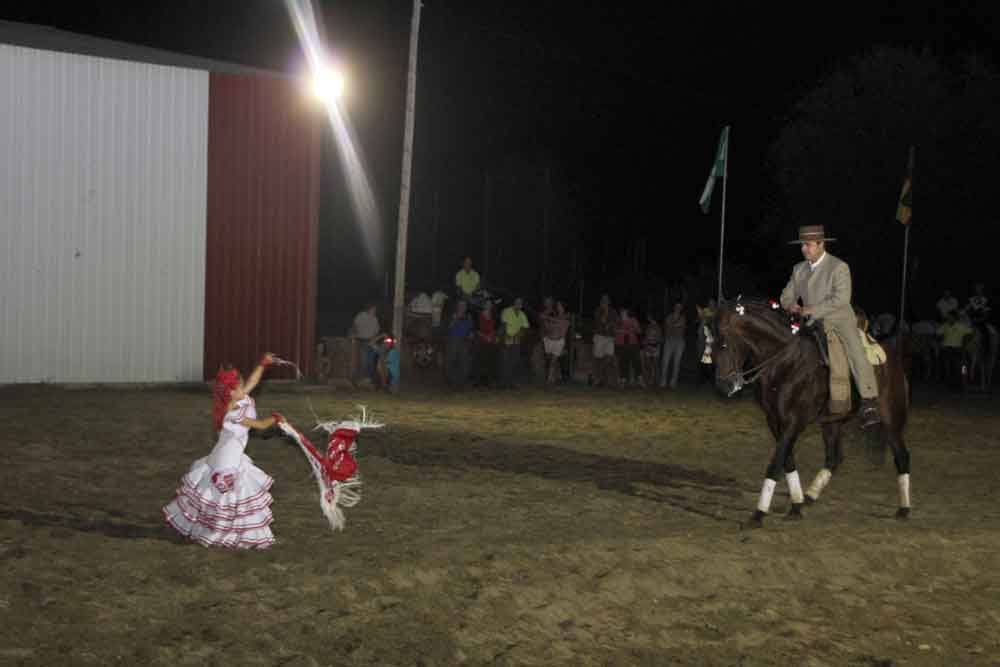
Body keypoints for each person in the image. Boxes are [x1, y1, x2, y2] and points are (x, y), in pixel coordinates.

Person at [163, 354, 280, 548]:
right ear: (230, 392)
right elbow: (260, 425)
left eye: (241, 386)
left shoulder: (236, 400)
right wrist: (275, 418)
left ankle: (219, 530)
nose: (244, 388)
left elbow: (252, 382)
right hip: (227, 462)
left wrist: (262, 364)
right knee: (229, 498)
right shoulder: (233, 413)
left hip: (226, 455)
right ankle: (221, 533)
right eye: (239, 387)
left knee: (222, 498)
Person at [780, 225, 880, 427]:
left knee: (856, 351)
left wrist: (811, 309)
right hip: (810, 321)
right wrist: (790, 304)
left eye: (807, 245)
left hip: (839, 319)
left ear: (821, 245)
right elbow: (786, 295)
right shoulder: (799, 269)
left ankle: (869, 401)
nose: (803, 249)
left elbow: (841, 299)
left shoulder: (839, 267)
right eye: (802, 245)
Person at [937, 310, 974, 391]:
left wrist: (965, 341)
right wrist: (940, 339)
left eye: (950, 317)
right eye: (948, 317)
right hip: (946, 348)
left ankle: (962, 383)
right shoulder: (945, 326)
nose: (949, 318)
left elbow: (971, 333)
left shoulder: (961, 326)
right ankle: (948, 384)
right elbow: (938, 333)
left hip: (957, 349)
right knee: (946, 366)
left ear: (955, 317)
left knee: (962, 367)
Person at [499, 297, 530, 388]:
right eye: (517, 302)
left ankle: (511, 382)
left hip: (516, 340)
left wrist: (518, 335)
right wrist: (506, 337)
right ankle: (504, 382)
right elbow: (503, 325)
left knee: (514, 360)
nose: (518, 304)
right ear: (513, 303)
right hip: (506, 338)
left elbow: (525, 327)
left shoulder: (522, 314)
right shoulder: (506, 311)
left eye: (520, 303)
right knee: (505, 361)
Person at [350, 303, 383, 386]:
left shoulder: (375, 318)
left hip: (371, 341)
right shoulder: (361, 316)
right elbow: (354, 326)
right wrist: (354, 335)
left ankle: (369, 379)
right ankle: (361, 379)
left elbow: (377, 330)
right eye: (373, 309)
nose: (375, 311)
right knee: (363, 361)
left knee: (371, 361)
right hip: (362, 341)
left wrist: (374, 339)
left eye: (375, 310)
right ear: (369, 309)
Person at [592, 294, 619, 387]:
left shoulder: (613, 311)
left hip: (610, 337)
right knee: (598, 358)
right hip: (599, 336)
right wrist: (605, 312)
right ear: (601, 302)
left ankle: (600, 378)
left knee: (609, 357)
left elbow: (616, 323)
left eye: (606, 300)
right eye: (603, 300)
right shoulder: (598, 310)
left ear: (609, 302)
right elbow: (601, 321)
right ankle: (598, 380)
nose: (604, 302)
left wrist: (612, 325)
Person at [540, 299, 570, 384]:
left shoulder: (566, 316)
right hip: (549, 340)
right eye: (557, 305)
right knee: (550, 361)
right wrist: (545, 321)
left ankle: (549, 380)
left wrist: (547, 317)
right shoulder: (553, 315)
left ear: (564, 307)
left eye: (559, 305)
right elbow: (548, 327)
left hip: (559, 342)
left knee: (553, 361)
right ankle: (556, 377)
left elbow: (563, 323)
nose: (558, 307)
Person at [445, 301, 474, 388]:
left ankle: (461, 382)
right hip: (453, 340)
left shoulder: (468, 317)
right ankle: (452, 382)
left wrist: (471, 333)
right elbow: (447, 328)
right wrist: (454, 319)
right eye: (460, 305)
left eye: (464, 305)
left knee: (465, 362)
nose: (462, 307)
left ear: (466, 307)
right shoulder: (452, 316)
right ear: (457, 306)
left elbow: (471, 329)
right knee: (451, 361)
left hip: (464, 341)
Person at [660, 301, 687, 389]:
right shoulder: (669, 317)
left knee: (676, 363)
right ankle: (663, 381)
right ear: (674, 307)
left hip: (679, 341)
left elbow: (682, 329)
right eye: (676, 306)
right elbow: (667, 328)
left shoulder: (683, 318)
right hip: (669, 340)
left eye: (679, 307)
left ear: (681, 308)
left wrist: (673, 326)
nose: (678, 308)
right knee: (665, 361)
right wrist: (676, 326)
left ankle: (673, 382)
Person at [615, 306, 642, 387]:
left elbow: (639, 331)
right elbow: (614, 330)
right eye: (621, 312)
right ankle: (623, 381)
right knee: (623, 363)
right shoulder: (618, 321)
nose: (623, 313)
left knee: (636, 362)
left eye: (624, 311)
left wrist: (635, 328)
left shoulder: (633, 320)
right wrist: (621, 331)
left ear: (627, 312)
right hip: (621, 344)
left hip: (633, 344)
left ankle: (640, 380)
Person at [473, 301, 499, 387]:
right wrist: (485, 337)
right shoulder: (478, 315)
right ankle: (478, 381)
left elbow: (495, 328)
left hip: (491, 341)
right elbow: (476, 329)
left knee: (490, 361)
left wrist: (491, 336)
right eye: (487, 304)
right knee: (480, 361)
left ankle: (489, 381)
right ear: (483, 305)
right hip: (480, 341)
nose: (489, 305)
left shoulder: (494, 316)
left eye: (490, 304)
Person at [640, 313, 663, 388]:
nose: (647, 318)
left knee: (656, 365)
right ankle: (650, 380)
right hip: (648, 348)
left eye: (649, 317)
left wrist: (654, 345)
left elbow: (660, 339)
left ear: (651, 317)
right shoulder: (648, 326)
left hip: (655, 348)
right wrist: (644, 342)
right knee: (648, 365)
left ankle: (657, 382)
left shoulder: (658, 327)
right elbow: (646, 337)